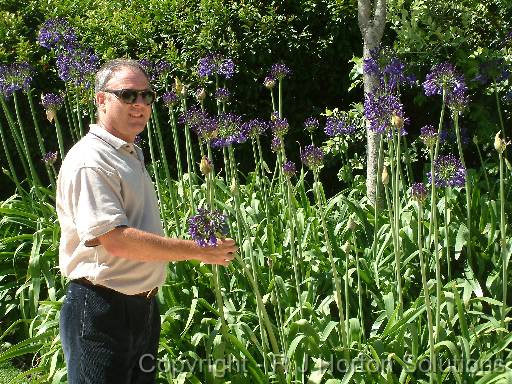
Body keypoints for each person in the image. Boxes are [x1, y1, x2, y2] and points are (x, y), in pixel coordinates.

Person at [56, 58, 237, 384]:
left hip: (141, 308)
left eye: (146, 97)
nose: (139, 104)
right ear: (101, 99)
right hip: (100, 310)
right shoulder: (90, 161)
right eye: (128, 95)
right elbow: (116, 239)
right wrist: (198, 250)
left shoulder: (128, 153)